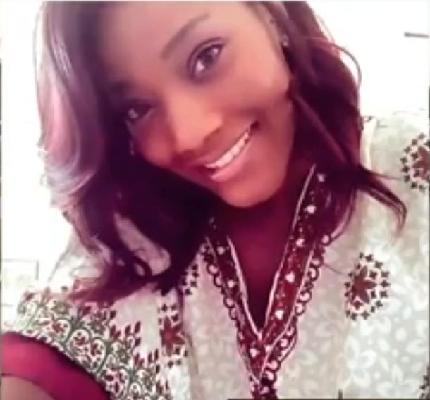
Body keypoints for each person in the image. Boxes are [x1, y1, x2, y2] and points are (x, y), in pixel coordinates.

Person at [1, 2, 429, 399]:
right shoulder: (135, 232)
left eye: (206, 58)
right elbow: (44, 361)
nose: (188, 135)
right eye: (136, 108)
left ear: (271, 13)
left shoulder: (413, 171)